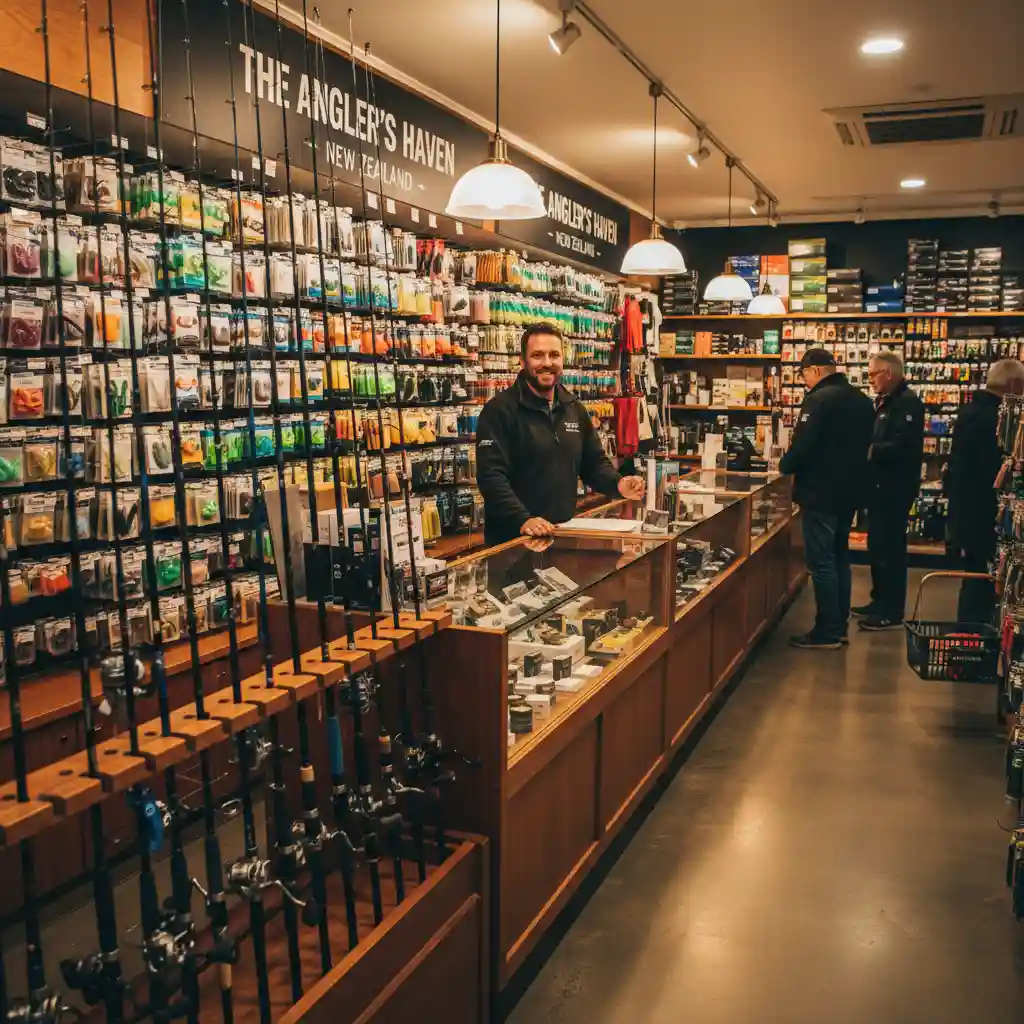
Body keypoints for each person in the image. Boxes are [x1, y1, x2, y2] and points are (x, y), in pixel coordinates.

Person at [475, 323, 645, 545]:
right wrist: (523, 520)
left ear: (563, 360)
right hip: (512, 543)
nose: (547, 363)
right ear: (522, 360)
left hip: (560, 536)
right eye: (537, 355)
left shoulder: (573, 408)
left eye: (554, 355)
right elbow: (491, 478)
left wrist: (619, 484)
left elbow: (594, 464)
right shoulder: (499, 411)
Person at [779, 348, 874, 649]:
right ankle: (839, 626)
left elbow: (804, 445)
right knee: (840, 557)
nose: (804, 381)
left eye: (804, 374)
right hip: (851, 492)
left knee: (821, 562)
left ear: (816, 371)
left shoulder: (818, 400)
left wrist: (784, 466)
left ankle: (827, 631)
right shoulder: (862, 400)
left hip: (820, 493)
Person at [947, 358, 1024, 623]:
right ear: (1013, 385)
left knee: (977, 580)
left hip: (971, 516)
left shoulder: (970, 413)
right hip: (984, 517)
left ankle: (971, 642)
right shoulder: (996, 420)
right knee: (980, 583)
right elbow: (991, 472)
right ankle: (972, 644)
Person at [853, 351, 925, 631]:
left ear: (890, 373)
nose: (869, 379)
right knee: (877, 544)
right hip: (879, 484)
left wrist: (871, 450)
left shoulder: (906, 404)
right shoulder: (885, 402)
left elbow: (905, 447)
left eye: (873, 374)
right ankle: (879, 599)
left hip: (895, 486)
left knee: (890, 548)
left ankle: (892, 611)